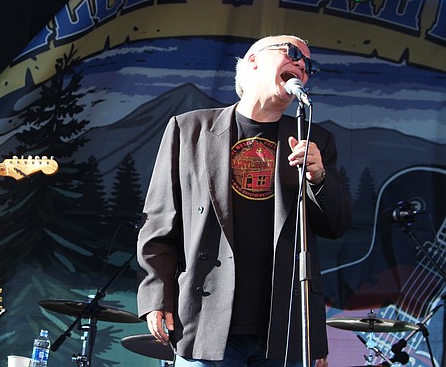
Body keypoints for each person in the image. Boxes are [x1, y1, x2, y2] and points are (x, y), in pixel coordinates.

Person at [136, 35, 352, 367]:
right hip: (208, 319)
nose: (302, 67)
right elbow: (160, 223)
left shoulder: (315, 139)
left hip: (284, 325)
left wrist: (319, 178)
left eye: (310, 66)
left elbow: (335, 226)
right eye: (293, 54)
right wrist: (156, 296)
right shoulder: (189, 129)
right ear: (252, 61)